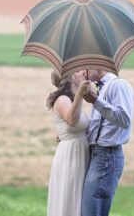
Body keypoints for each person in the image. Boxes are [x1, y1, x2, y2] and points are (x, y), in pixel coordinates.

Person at [79, 69, 134, 216]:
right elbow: (98, 127)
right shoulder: (101, 88)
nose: (82, 71)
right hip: (98, 155)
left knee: (91, 212)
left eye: (84, 66)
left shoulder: (119, 85)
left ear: (96, 65)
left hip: (107, 156)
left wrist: (96, 101)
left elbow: (124, 120)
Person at [46, 70, 91, 216]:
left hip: (78, 152)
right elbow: (72, 121)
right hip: (70, 156)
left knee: (77, 197)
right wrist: (80, 94)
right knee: (70, 197)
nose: (83, 72)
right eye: (79, 71)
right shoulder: (62, 99)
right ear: (71, 77)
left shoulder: (71, 100)